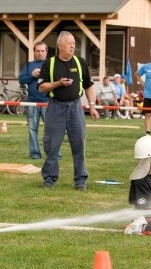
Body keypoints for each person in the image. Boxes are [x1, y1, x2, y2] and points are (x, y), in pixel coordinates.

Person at [38, 31, 99, 190]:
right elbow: (42, 87)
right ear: (59, 45)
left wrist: (92, 106)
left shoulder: (80, 62)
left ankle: (80, 180)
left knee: (79, 144)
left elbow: (89, 85)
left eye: (73, 43)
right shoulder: (49, 64)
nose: (72, 46)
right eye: (69, 43)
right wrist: (58, 83)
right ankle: (49, 179)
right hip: (55, 107)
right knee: (52, 145)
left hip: (75, 107)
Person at [18, 41, 49, 159]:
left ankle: (54, 153)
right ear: (34, 52)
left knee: (51, 130)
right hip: (31, 102)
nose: (40, 53)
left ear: (46, 52)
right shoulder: (29, 65)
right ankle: (35, 154)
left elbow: (56, 79)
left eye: (42, 51)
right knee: (32, 130)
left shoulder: (51, 64)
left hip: (48, 102)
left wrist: (41, 74)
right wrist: (32, 75)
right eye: (38, 51)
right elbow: (21, 80)